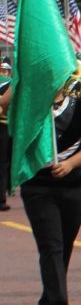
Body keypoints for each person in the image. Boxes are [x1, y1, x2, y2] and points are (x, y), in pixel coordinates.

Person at [21, 69, 81, 305]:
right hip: (38, 187)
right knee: (51, 245)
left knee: (65, 244)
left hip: (72, 186)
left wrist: (71, 164)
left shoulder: (79, 108)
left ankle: (49, 298)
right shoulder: (28, 110)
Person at [0, 57, 13, 211]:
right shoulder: (9, 83)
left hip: (5, 126)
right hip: (4, 127)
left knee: (4, 163)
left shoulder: (9, 83)